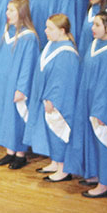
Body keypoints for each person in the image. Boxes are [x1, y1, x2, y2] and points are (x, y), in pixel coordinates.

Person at [24, 14, 80, 182]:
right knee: (50, 132)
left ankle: (63, 169)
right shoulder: (51, 45)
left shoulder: (67, 53)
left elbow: (62, 80)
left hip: (58, 102)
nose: (45, 31)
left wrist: (52, 100)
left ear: (62, 31)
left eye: (50, 28)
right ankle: (55, 162)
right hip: (45, 96)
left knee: (58, 132)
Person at [0, 0, 39, 170]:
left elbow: (28, 66)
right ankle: (9, 152)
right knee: (5, 117)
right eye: (7, 10)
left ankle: (20, 154)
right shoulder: (7, 31)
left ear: (21, 13)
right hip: (2, 83)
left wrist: (22, 88)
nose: (7, 14)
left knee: (16, 118)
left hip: (15, 83)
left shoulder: (28, 37)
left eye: (12, 11)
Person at [78, 10, 107, 198]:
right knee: (91, 141)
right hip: (88, 100)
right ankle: (95, 173)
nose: (93, 28)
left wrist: (100, 109)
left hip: (102, 105)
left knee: (103, 142)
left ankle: (104, 183)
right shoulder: (94, 44)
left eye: (97, 25)